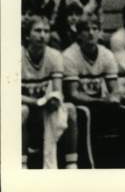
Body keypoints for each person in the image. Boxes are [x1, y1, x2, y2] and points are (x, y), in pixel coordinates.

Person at [62, 16, 125, 162]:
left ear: (100, 32)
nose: (91, 33)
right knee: (86, 114)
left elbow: (114, 89)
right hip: (78, 106)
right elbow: (73, 94)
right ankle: (89, 163)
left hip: (99, 103)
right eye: (86, 30)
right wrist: (102, 100)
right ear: (78, 34)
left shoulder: (107, 54)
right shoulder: (69, 56)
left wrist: (114, 98)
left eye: (95, 29)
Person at [21, 16, 79, 169]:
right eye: (38, 31)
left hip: (41, 106)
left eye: (46, 31)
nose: (42, 35)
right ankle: (22, 164)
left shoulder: (54, 55)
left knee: (69, 109)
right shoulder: (15, 56)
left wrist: (54, 99)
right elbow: (8, 95)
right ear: (27, 35)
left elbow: (57, 91)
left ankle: (70, 164)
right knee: (22, 110)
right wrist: (33, 102)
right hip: (21, 106)